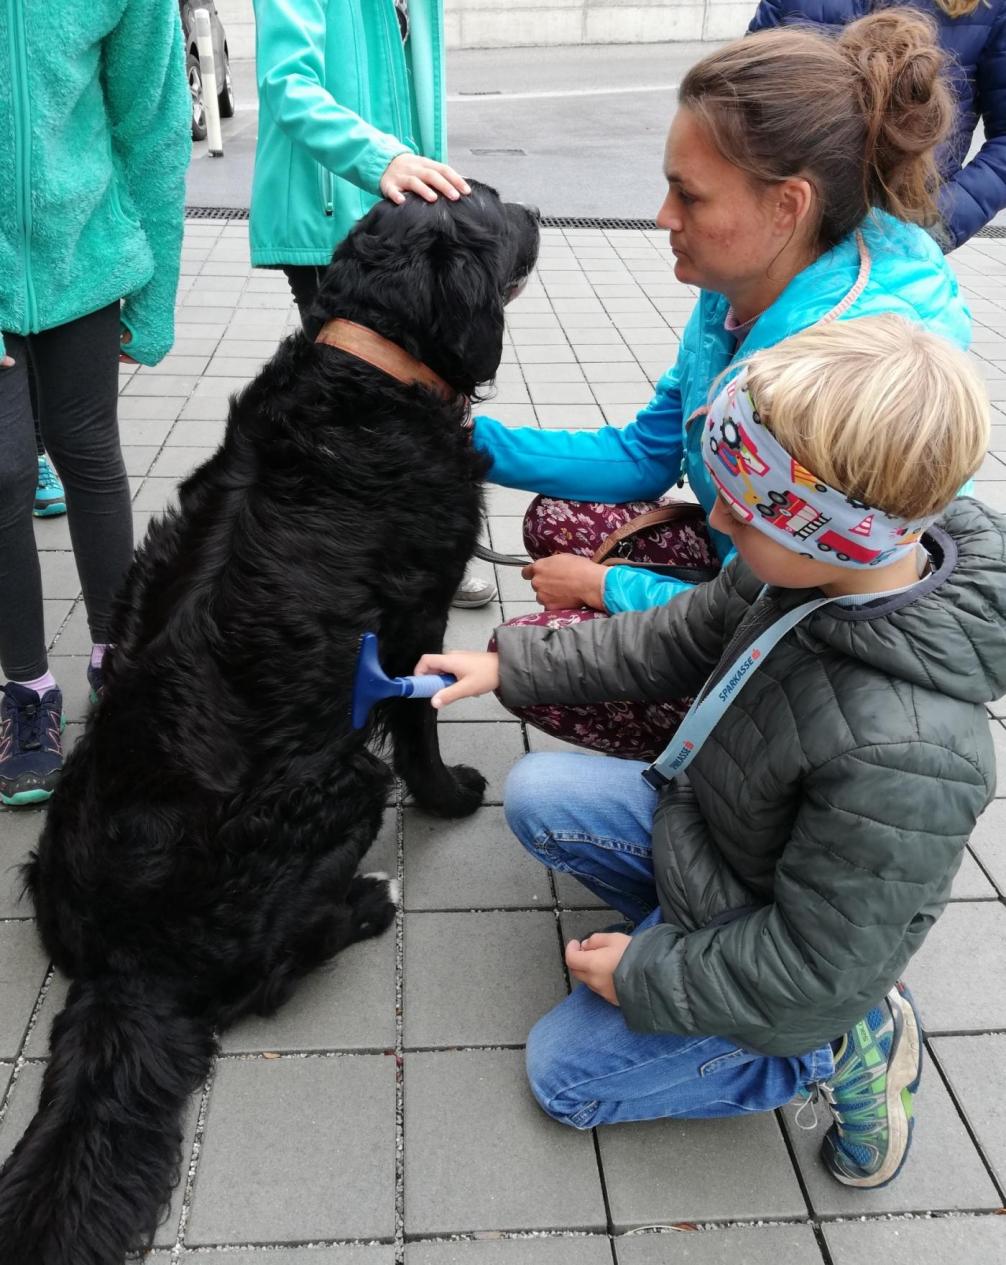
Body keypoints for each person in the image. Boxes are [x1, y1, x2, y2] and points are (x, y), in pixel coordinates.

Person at [415, 314, 1004, 1189]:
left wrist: (652, 973)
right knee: (537, 791)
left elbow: (814, 963)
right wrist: (510, 663)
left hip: (797, 950)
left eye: (746, 503)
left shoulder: (909, 753)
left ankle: (847, 1047)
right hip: (720, 830)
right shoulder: (802, 563)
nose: (719, 514)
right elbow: (676, 636)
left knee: (562, 1077)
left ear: (830, 531)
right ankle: (700, 950)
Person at [471, 10, 969, 757]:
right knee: (562, 520)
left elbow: (776, 597)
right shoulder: (745, 278)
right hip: (756, 558)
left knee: (536, 649)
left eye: (690, 196)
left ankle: (727, 770)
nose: (663, 215)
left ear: (786, 204)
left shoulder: (829, 370)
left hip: (809, 634)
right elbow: (648, 453)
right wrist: (461, 439)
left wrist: (600, 590)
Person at [0, 0, 190, 806]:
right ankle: (26, 690)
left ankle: (120, 656)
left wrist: (153, 290)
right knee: (4, 478)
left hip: (85, 256)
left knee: (88, 451)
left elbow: (152, 120)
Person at [249, 0, 495, 608]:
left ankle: (420, 541)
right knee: (356, 404)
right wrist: (379, 158)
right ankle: (355, 557)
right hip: (327, 215)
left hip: (404, 219)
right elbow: (287, 82)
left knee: (428, 389)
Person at [748, 0, 1006, 251]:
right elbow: (741, 97)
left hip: (900, 237)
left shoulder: (990, 8)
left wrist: (940, 222)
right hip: (785, 224)